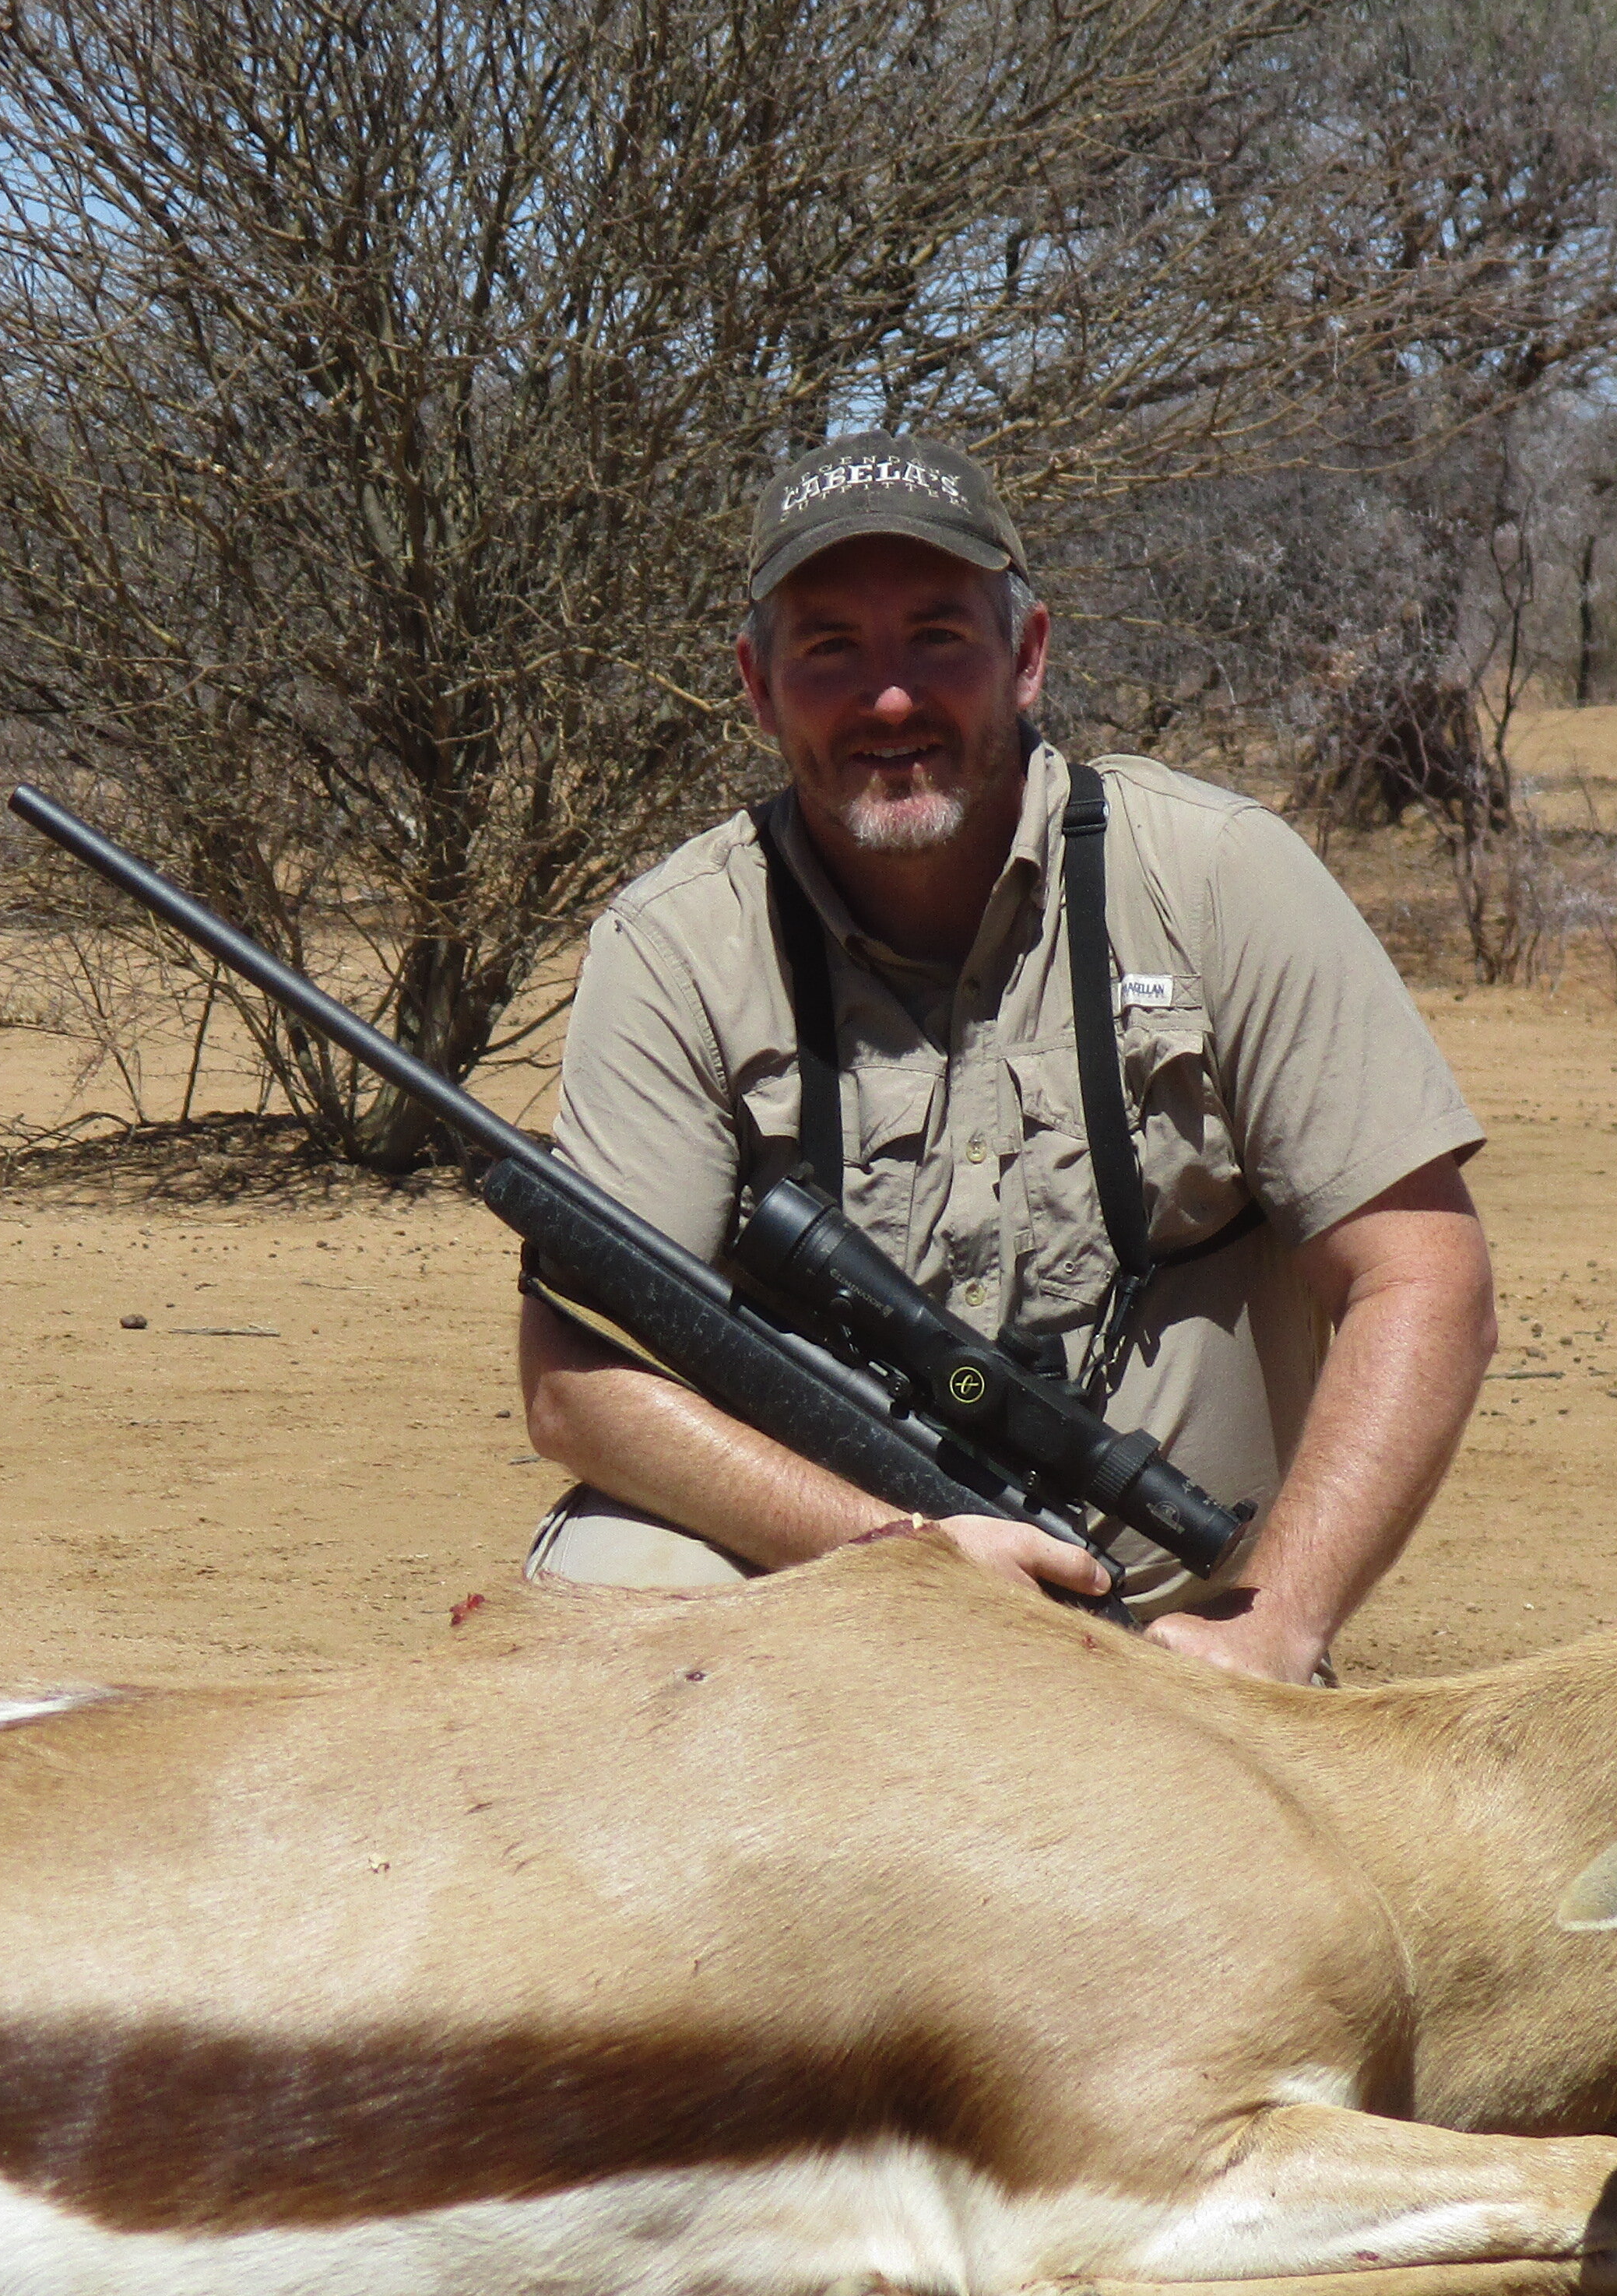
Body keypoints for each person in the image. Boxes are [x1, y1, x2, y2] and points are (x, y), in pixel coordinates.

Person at [514, 434, 1496, 1684]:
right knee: (611, 1598)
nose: (889, 699)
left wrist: (1279, 1623)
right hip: (817, 1602)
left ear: (1025, 657)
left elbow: (1425, 1279)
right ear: (757, 686)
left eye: (937, 637)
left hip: (1177, 1641)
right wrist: (899, 1547)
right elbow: (576, 1381)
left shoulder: (1218, 874)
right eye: (830, 649)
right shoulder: (672, 946)